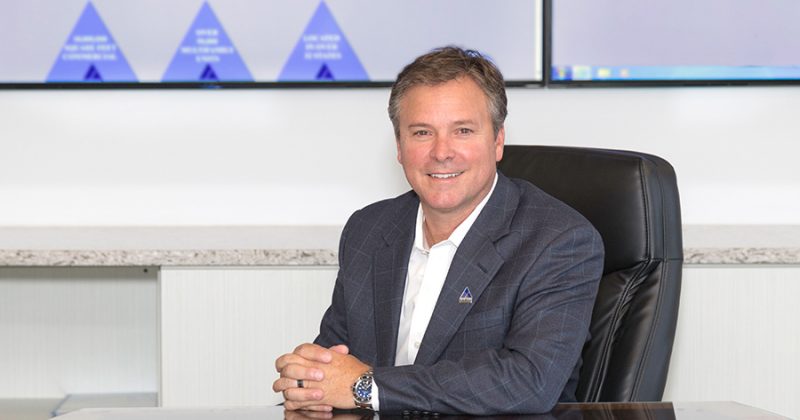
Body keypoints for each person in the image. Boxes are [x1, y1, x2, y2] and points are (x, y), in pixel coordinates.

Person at [273, 46, 604, 415]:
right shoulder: (368, 230)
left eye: (462, 130)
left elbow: (529, 381)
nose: (441, 152)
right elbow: (336, 366)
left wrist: (367, 387)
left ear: (497, 142)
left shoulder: (558, 240)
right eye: (421, 133)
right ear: (399, 146)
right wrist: (308, 380)